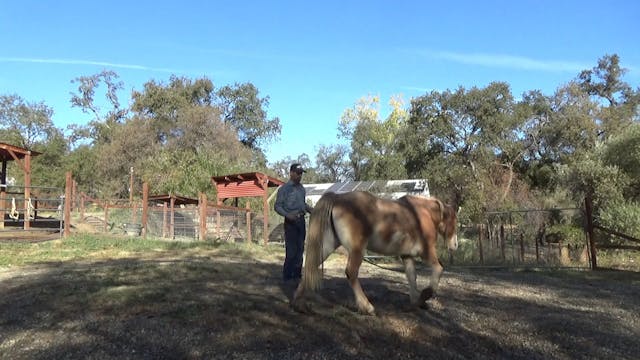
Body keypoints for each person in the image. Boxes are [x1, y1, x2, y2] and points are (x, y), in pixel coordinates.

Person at [274, 163, 313, 284]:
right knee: (291, 251)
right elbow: (277, 206)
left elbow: (302, 204)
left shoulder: (302, 189)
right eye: (298, 173)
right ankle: (287, 277)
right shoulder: (284, 189)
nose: (300, 176)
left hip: (301, 221)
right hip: (290, 222)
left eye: (301, 173)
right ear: (291, 173)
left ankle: (297, 275)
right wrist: (287, 215)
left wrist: (311, 209)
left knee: (300, 249)